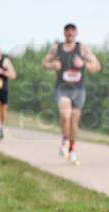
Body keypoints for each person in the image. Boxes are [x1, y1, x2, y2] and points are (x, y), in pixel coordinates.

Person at [41, 23, 101, 164]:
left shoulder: (83, 48)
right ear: (64, 33)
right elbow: (44, 63)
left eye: (72, 31)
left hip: (78, 90)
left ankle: (72, 150)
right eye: (67, 31)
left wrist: (83, 64)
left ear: (76, 33)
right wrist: (52, 65)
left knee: (74, 123)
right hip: (62, 88)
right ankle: (64, 140)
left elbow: (97, 66)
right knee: (65, 114)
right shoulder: (57, 48)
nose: (70, 33)